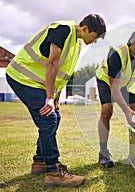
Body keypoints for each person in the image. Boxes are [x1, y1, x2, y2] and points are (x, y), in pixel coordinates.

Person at [5, 14, 106, 187]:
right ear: (86, 28)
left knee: (55, 116)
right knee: (48, 118)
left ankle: (41, 161)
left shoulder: (77, 43)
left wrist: (56, 97)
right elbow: (51, 63)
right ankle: (53, 172)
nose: (94, 41)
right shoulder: (63, 29)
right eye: (94, 37)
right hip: (22, 76)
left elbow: (62, 73)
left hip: (37, 83)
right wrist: (49, 98)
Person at [95, 29, 135, 168]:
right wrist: (126, 111)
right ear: (130, 44)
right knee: (107, 109)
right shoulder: (117, 54)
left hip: (128, 84)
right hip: (107, 81)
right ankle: (103, 153)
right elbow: (114, 86)